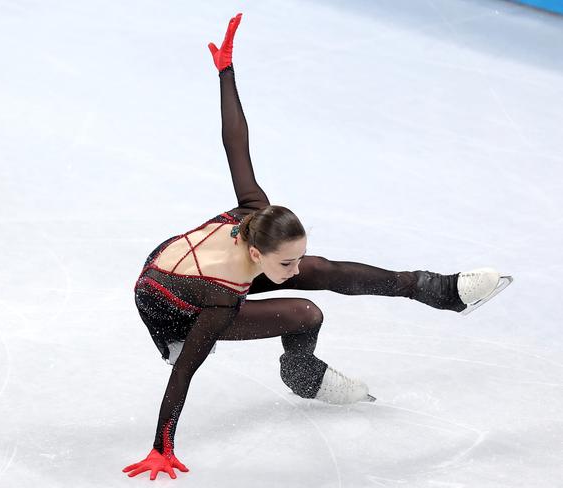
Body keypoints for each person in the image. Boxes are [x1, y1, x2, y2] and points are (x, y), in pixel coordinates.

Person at [123, 13, 509, 481]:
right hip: (173, 309)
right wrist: (161, 446)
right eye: (284, 262)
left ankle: (439, 290)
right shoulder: (220, 297)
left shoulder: (253, 214)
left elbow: (235, 143)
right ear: (256, 256)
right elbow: (184, 371)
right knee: (305, 312)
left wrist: (226, 71)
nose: (292, 266)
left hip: (189, 270)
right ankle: (302, 375)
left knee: (320, 271)